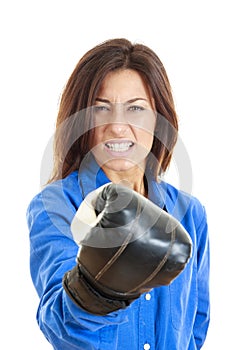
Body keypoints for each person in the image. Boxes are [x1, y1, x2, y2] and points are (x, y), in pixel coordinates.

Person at [26, 38, 210, 350]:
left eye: (136, 109)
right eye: (101, 109)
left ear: (159, 118)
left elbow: (196, 323)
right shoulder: (57, 205)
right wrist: (98, 289)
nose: (118, 127)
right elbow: (60, 326)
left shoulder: (190, 213)